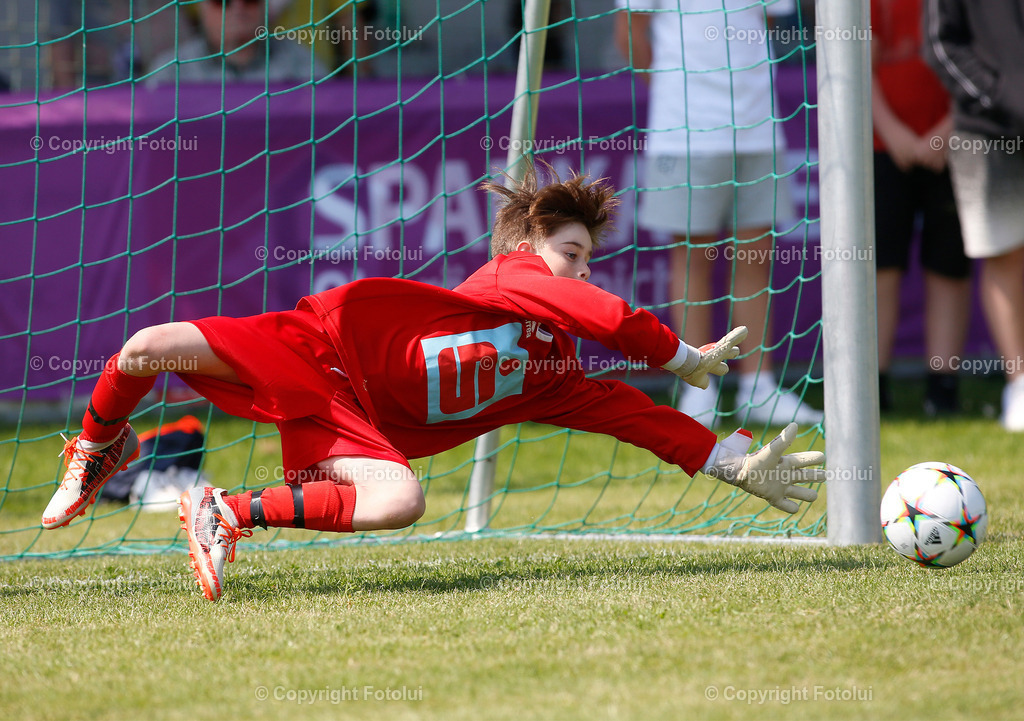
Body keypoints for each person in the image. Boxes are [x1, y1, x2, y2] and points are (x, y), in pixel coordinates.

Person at [41, 164, 825, 601]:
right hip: (316, 345)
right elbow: (597, 311)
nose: (582, 270)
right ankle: (97, 449)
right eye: (572, 252)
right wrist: (679, 355)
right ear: (526, 245)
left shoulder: (552, 378)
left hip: (349, 414)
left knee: (400, 500)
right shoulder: (509, 280)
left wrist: (724, 459)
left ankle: (224, 510)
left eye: (589, 258)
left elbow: (633, 416)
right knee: (148, 348)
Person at [614, 0, 823, 428]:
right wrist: (678, 93)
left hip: (758, 126)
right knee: (692, 258)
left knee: (755, 258)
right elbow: (629, 34)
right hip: (684, 131)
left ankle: (758, 388)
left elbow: (767, 22)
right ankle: (698, 388)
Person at [923, 0, 1024, 431]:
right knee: (1005, 254)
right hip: (988, 131)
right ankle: (1019, 385)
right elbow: (941, 43)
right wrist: (1000, 96)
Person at [871, 0, 971, 416]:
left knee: (949, 266)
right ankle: (872, 390)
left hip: (956, 145)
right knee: (879, 267)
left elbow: (983, 66)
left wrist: (948, 130)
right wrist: (892, 133)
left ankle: (942, 390)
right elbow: (857, 67)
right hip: (881, 147)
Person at [147, 0, 328, 86]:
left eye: (249, 0)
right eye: (222, 2)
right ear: (202, 8)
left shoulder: (300, 64)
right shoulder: (171, 71)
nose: (237, 8)